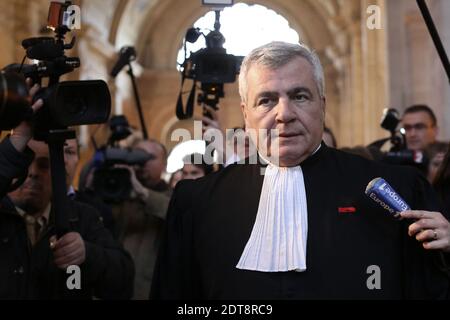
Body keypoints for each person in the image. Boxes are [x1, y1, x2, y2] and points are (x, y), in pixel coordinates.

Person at [151, 41, 449, 299]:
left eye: (299, 96)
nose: (284, 114)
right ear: (245, 114)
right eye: (266, 100)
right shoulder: (197, 202)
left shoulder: (400, 189)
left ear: (322, 105)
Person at [0, 86, 134, 299]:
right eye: (24, 163)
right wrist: (17, 140)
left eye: (44, 165)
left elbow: (123, 277)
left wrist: (87, 254)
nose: (32, 173)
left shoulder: (82, 217)